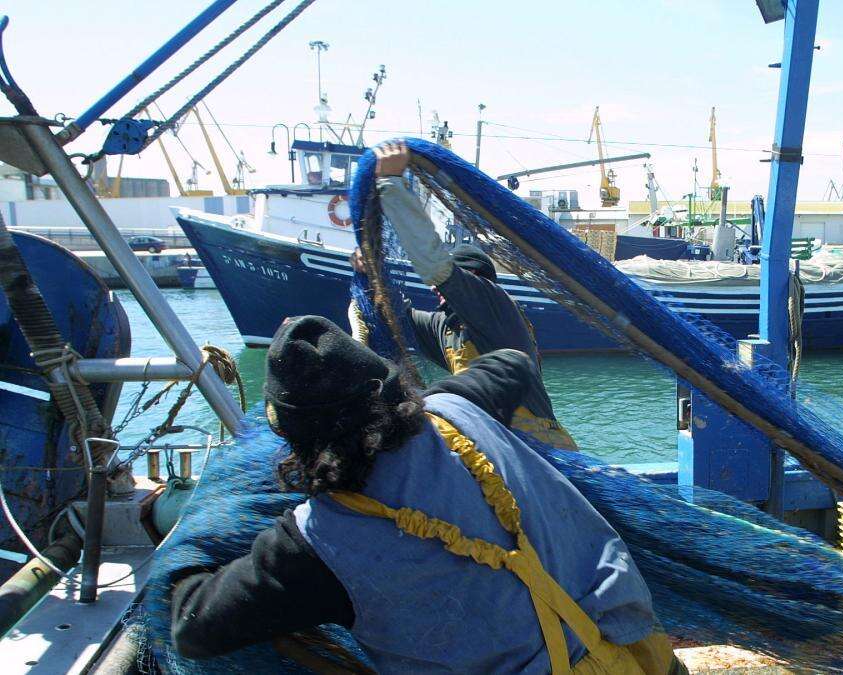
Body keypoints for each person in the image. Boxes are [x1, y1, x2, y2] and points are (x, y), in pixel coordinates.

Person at [171, 316, 682, 673]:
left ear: (296, 440)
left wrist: (192, 534)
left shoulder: (314, 548)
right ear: (393, 391)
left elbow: (193, 628)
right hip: (643, 656)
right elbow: (513, 363)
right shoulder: (457, 410)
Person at [353, 141, 576, 449]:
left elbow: (436, 266)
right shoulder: (447, 327)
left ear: (477, 280)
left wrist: (391, 184)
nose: (438, 289)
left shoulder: (493, 305)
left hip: (539, 446)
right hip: (490, 443)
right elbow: (396, 318)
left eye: (456, 280)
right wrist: (370, 276)